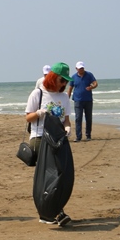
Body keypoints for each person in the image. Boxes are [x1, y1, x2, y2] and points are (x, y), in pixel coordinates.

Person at [25, 63, 74, 226]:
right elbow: (28, 117)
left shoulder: (64, 97)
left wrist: (68, 128)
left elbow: (66, 120)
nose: (63, 84)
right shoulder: (38, 93)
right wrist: (38, 113)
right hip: (40, 138)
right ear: (53, 78)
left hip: (58, 139)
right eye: (61, 80)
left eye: (66, 81)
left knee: (61, 174)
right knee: (49, 175)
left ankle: (53, 210)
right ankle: (54, 212)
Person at [67, 61, 98, 142]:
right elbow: (70, 88)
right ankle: (78, 136)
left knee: (88, 118)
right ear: (76, 68)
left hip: (88, 100)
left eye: (82, 68)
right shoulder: (73, 77)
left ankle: (88, 135)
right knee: (78, 118)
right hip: (78, 100)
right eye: (80, 68)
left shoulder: (89, 75)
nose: (81, 69)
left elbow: (95, 83)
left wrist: (91, 87)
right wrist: (67, 98)